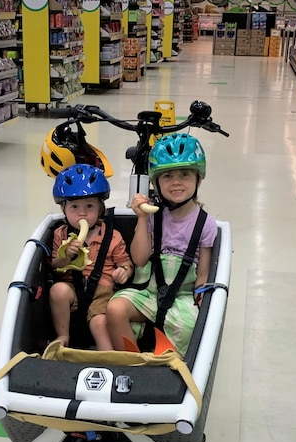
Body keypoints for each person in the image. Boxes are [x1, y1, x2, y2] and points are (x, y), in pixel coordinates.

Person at [107, 133, 218, 356]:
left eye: (184, 174)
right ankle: (132, 361)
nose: (176, 182)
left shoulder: (206, 224)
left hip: (183, 296)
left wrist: (201, 301)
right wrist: (141, 218)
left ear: (199, 179)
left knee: (188, 327)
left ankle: (165, 367)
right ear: (156, 183)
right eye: (167, 176)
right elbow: (139, 259)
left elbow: (203, 273)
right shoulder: (153, 217)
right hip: (148, 291)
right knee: (115, 308)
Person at [49, 164, 133, 350]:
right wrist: (66, 255)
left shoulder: (113, 236)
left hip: (103, 291)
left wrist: (123, 272)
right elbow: (55, 266)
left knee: (99, 323)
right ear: (64, 209)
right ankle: (62, 336)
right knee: (57, 290)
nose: (82, 212)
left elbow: (126, 264)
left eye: (89, 206)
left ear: (100, 208)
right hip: (72, 287)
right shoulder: (60, 235)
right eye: (74, 206)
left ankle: (108, 356)